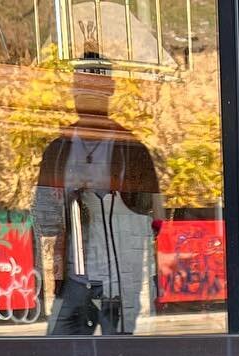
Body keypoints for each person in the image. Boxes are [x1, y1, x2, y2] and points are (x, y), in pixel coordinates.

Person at [33, 56, 160, 335]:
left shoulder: (133, 150)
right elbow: (45, 221)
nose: (87, 95)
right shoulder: (57, 150)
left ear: (110, 90)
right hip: (74, 280)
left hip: (119, 280)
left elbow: (153, 218)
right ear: (73, 90)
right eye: (81, 87)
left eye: (95, 87)